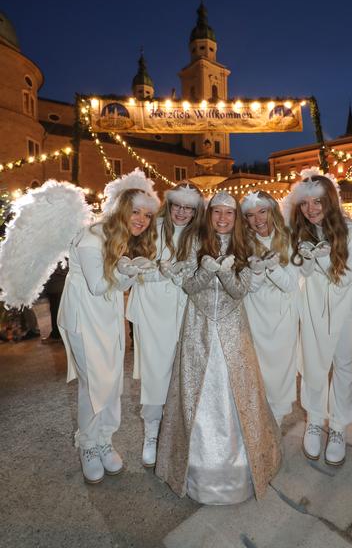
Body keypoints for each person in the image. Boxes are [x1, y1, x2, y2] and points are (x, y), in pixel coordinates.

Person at [156, 190, 281, 505]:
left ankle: (239, 470)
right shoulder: (195, 243)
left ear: (236, 218)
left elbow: (240, 291)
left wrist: (225, 272)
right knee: (196, 395)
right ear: (209, 215)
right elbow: (189, 287)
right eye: (217, 212)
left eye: (229, 213)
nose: (223, 219)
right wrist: (204, 270)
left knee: (235, 394)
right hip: (198, 328)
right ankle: (196, 472)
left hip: (233, 329)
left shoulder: (245, 246)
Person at [57, 170, 160, 484]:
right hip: (84, 317)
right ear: (120, 208)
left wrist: (129, 268)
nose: (141, 219)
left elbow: (111, 286)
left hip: (108, 316)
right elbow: (99, 286)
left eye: (146, 214)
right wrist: (130, 272)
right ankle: (88, 445)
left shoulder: (120, 237)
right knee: (94, 383)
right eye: (136, 211)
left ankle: (104, 440)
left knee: (113, 380)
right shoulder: (91, 236)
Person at [287, 171, 352, 466]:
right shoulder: (297, 233)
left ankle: (338, 427)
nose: (311, 209)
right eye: (305, 203)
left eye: (318, 202)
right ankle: (314, 419)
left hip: (346, 309)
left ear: (330, 201)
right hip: (312, 307)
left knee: (344, 365)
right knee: (313, 362)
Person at [126, 182, 205, 467]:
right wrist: (160, 271)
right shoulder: (151, 226)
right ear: (168, 204)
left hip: (185, 310)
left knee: (184, 373)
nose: (182, 213)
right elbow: (132, 264)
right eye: (177, 206)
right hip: (151, 309)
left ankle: (181, 433)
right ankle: (151, 433)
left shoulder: (199, 235)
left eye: (188, 208)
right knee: (155, 372)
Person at [241, 190, 299, 424]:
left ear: (272, 211)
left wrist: (272, 268)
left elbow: (290, 285)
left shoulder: (289, 238)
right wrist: (256, 272)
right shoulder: (242, 243)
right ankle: (257, 417)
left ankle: (276, 420)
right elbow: (247, 287)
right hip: (255, 314)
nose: (258, 219)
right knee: (257, 368)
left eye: (262, 212)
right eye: (251, 215)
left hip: (283, 315)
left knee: (281, 368)